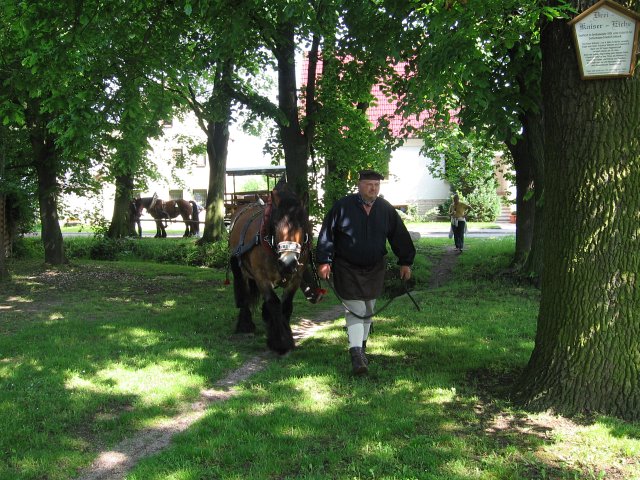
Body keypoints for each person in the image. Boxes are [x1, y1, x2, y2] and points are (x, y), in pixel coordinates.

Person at [316, 170, 416, 375]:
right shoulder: (342, 207)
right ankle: (356, 355)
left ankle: (361, 349)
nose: (373, 188)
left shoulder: (385, 209)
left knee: (369, 309)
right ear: (359, 185)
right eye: (369, 184)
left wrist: (405, 262)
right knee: (356, 309)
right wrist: (324, 261)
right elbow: (327, 235)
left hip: (375, 268)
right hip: (346, 266)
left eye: (377, 185)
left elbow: (399, 235)